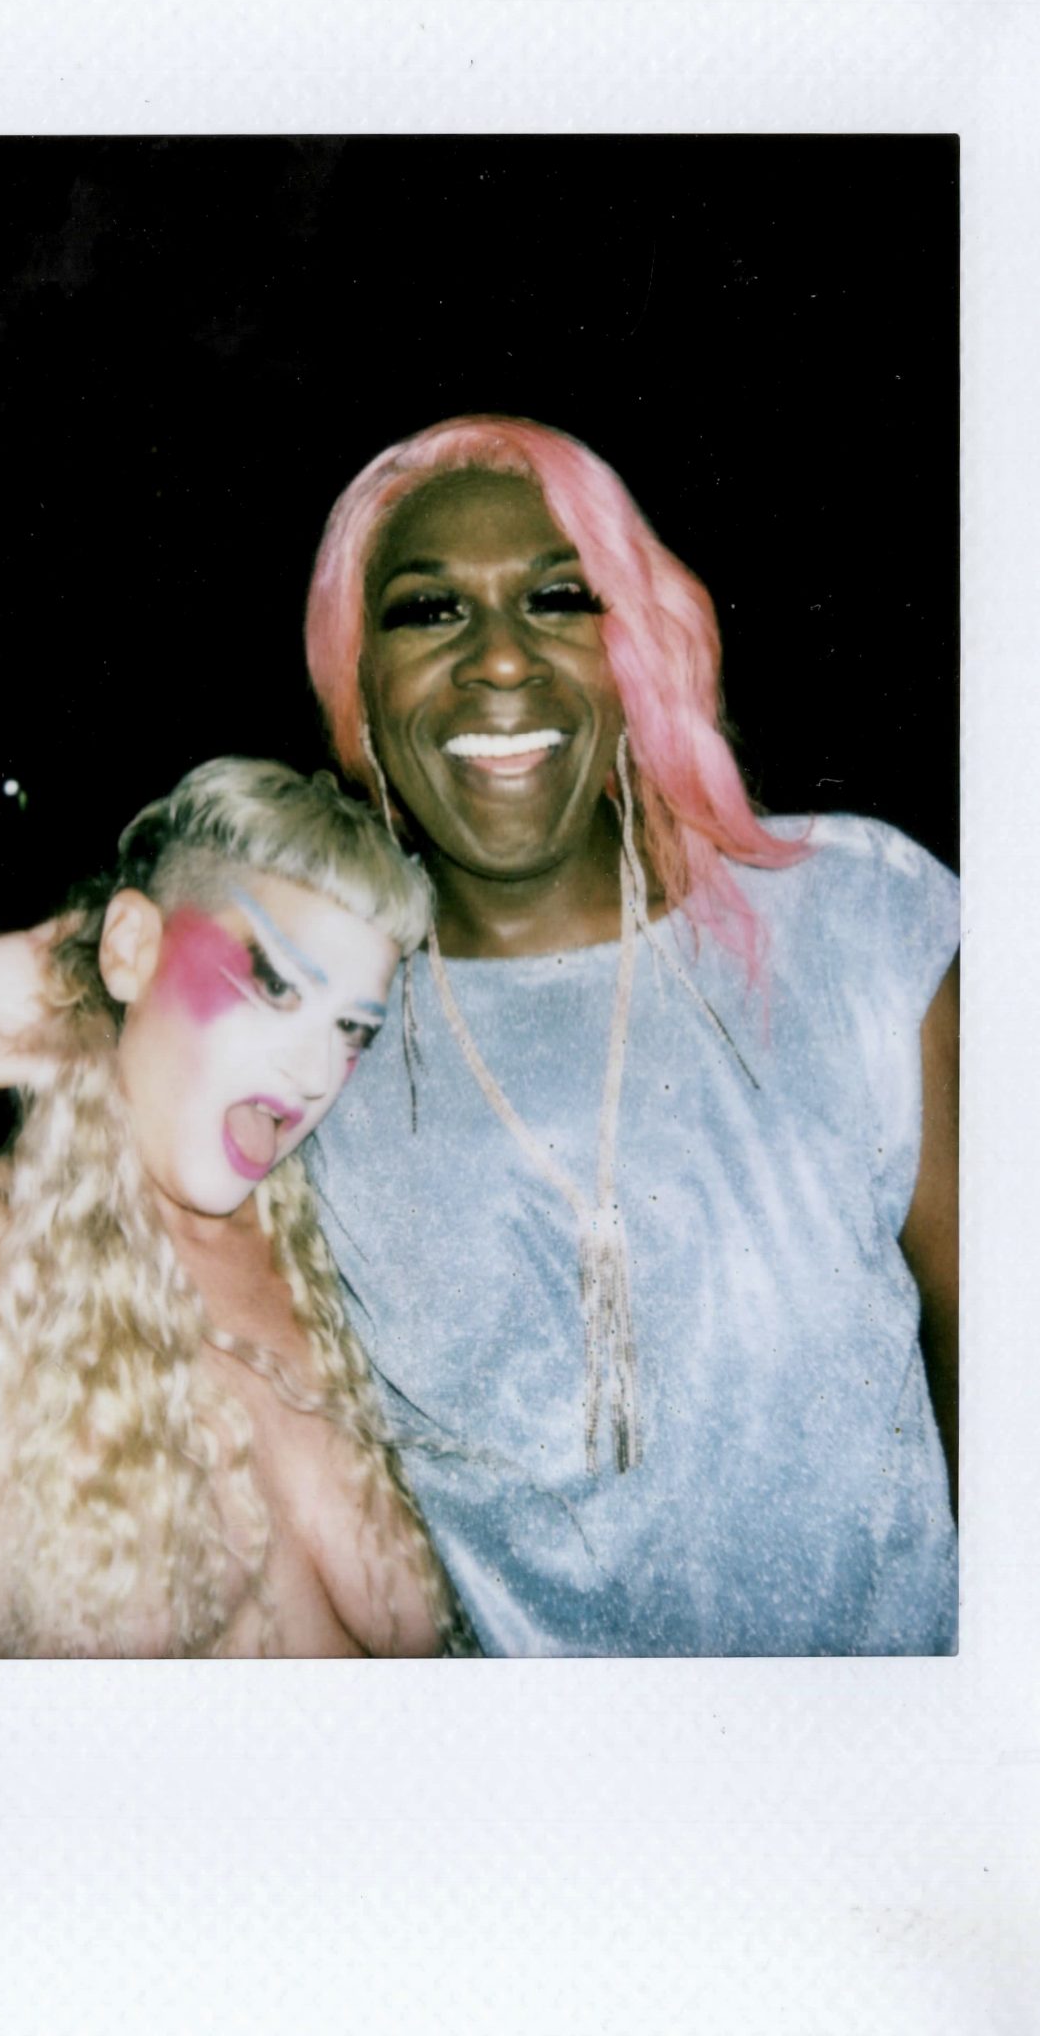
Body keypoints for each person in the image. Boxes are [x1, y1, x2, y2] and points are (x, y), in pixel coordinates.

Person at [302, 413, 959, 1658]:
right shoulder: (312, 1052)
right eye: (429, 610)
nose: (502, 657)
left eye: (560, 596)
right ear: (360, 691)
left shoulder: (852, 924)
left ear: (635, 650)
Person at [0, 757, 469, 1658]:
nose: (316, 1074)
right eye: (276, 986)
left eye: (351, 1029)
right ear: (130, 947)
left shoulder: (332, 1257)